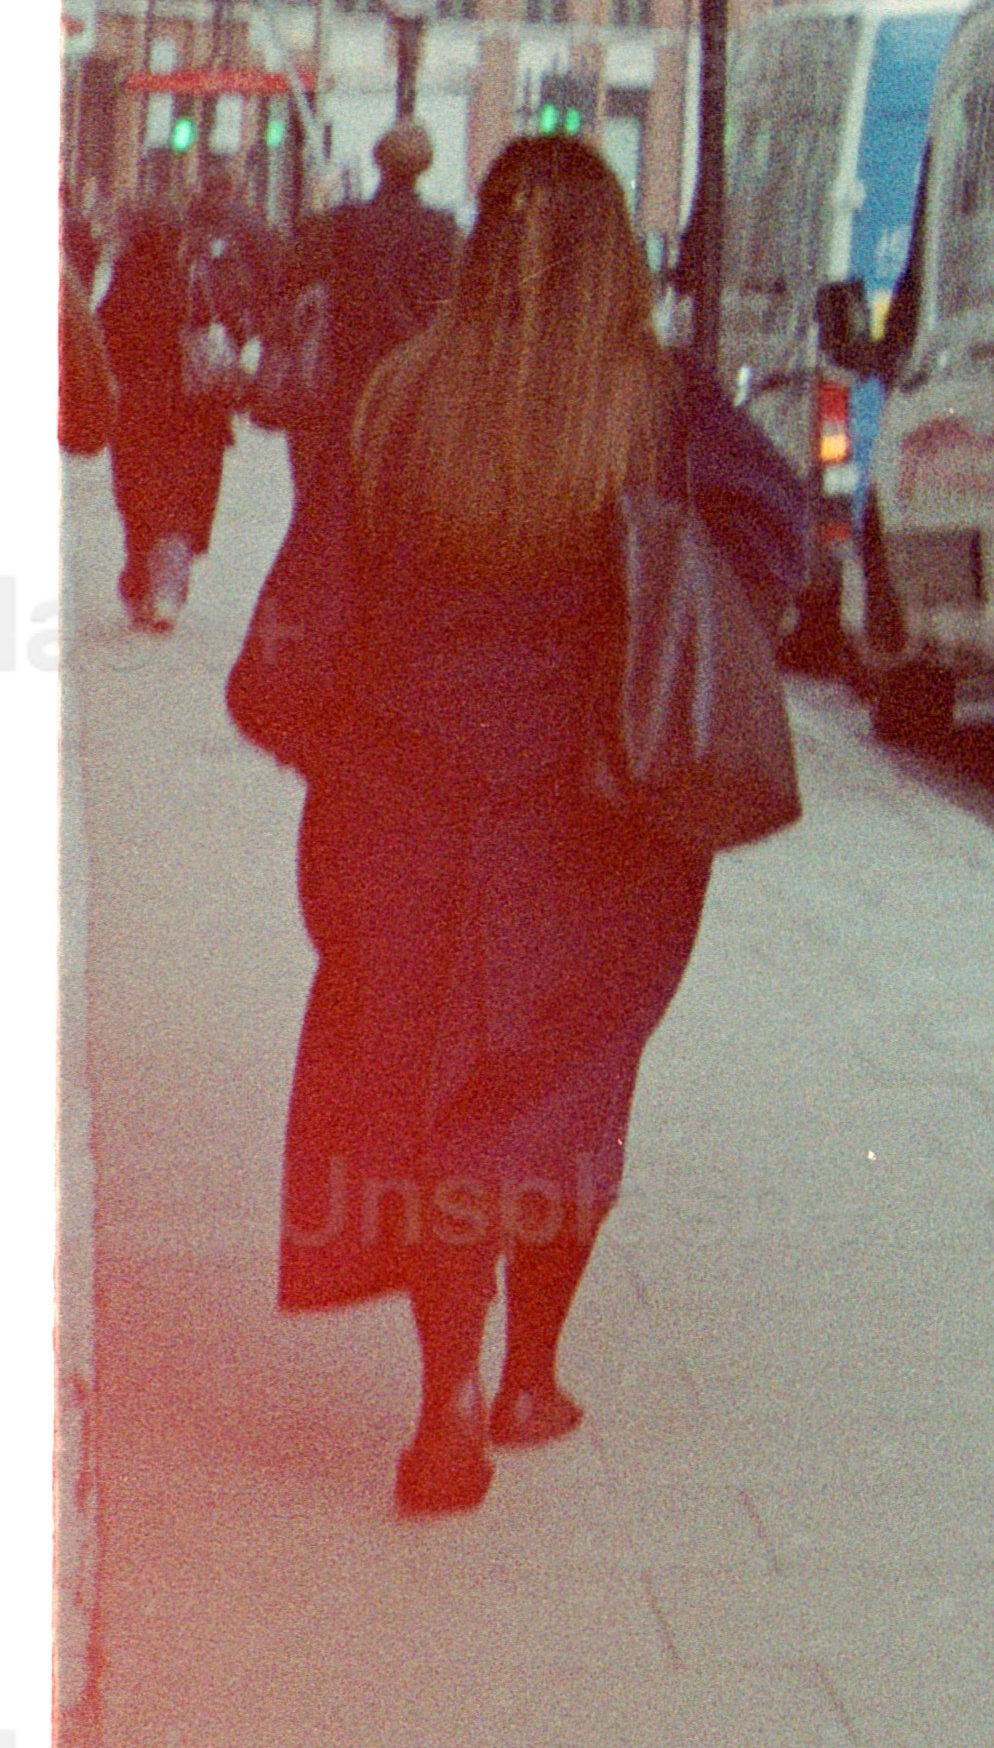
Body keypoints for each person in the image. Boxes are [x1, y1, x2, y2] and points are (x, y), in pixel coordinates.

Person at [247, 130, 807, 1520]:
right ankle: (530, 1374)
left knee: (438, 1098)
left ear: (476, 250)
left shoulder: (401, 398)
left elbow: (321, 600)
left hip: (410, 812)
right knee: (564, 1088)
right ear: (619, 253)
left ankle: (442, 1388)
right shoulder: (656, 403)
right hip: (593, 820)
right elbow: (778, 540)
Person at [94, 188, 234, 637]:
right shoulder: (194, 275)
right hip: (194, 407)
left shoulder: (126, 279)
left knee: (138, 499)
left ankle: (138, 584)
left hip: (137, 408)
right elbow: (227, 322)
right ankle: (169, 591)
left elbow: (105, 340)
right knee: (182, 498)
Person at [281, 122, 464, 426]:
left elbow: (294, 270)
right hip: (413, 382)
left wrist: (316, 204)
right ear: (424, 167)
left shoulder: (346, 223)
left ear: (378, 161)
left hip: (350, 378)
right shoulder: (442, 229)